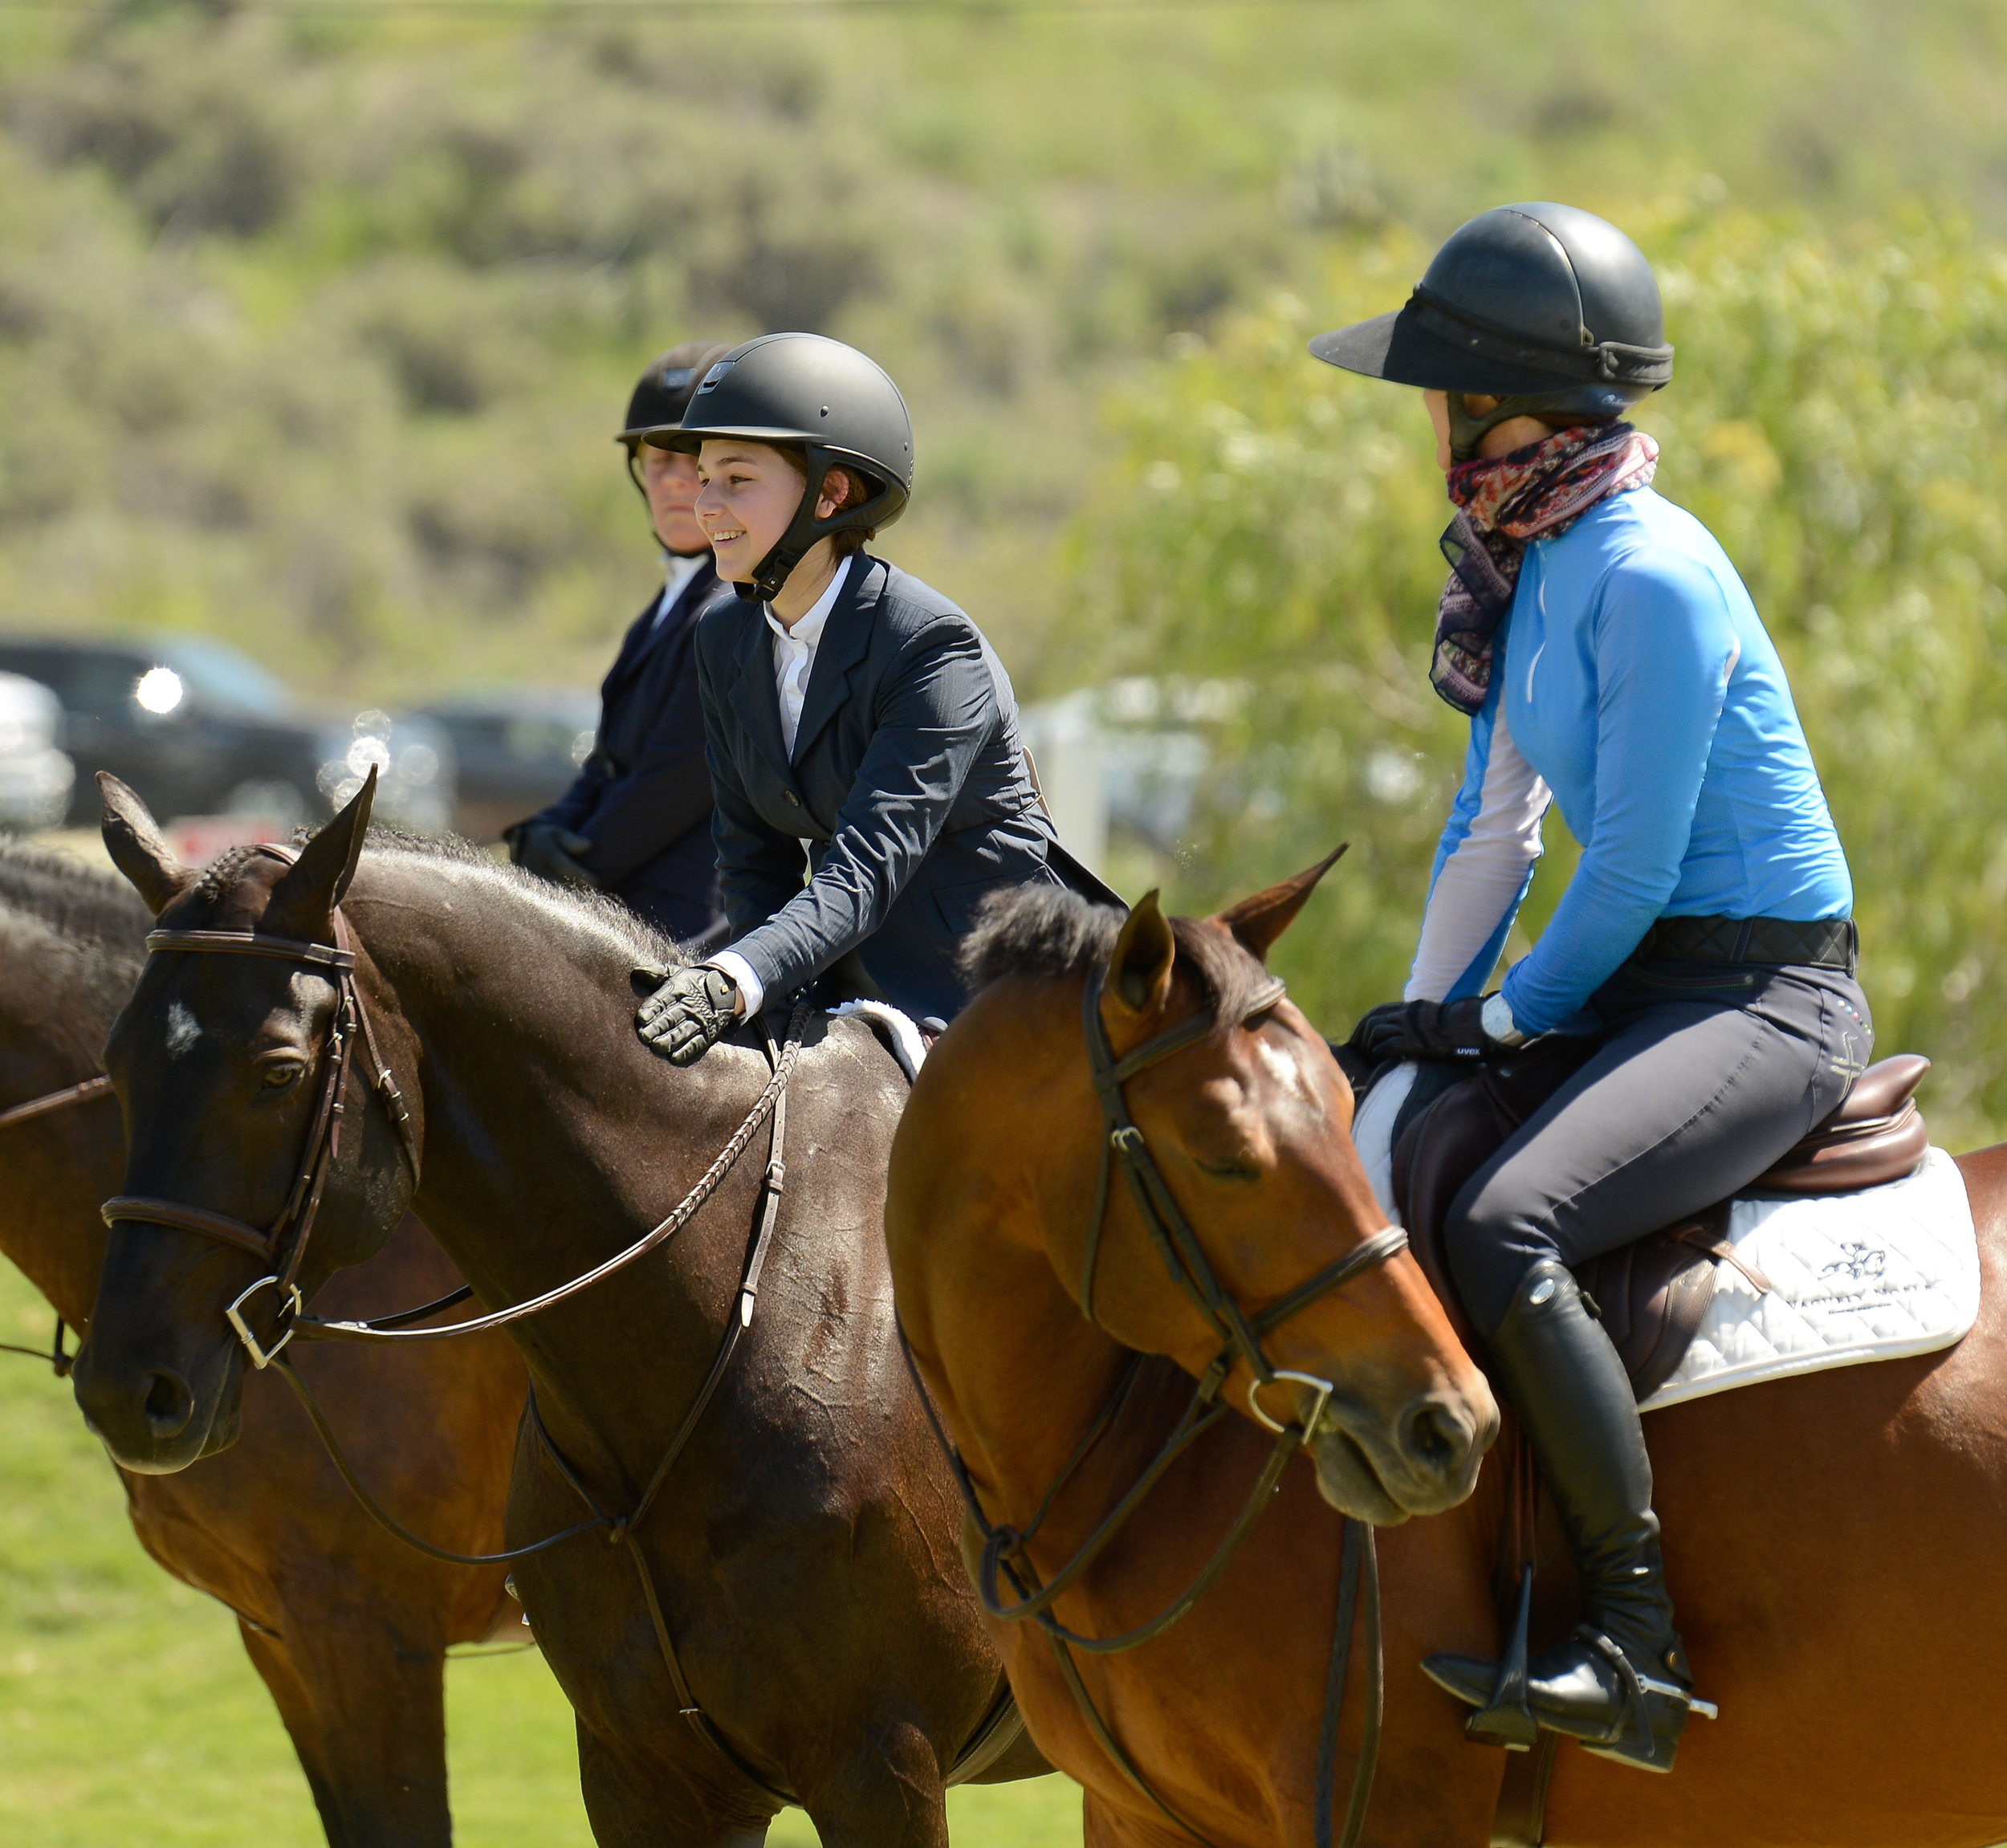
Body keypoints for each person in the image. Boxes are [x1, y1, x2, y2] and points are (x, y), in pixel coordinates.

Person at [1312, 203, 1868, 1772]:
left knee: (1505, 1219)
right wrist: (1414, 1026)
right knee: (1392, 1149)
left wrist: (1502, 1017)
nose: (1426, 427)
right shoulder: (1525, 564)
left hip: (1757, 998)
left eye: (1438, 397)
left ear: (1503, 406)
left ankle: (1632, 1644)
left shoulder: (1648, 577)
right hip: (1633, 986)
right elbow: (1492, 823)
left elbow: (1620, 871)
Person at [630, 332, 1116, 1064]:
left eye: (736, 479)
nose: (705, 505)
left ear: (832, 492)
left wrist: (734, 979)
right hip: (848, 992)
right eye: (703, 479)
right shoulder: (724, 638)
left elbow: (867, 864)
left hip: (1004, 1000)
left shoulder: (932, 646)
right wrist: (773, 1000)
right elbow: (751, 854)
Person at [506, 341, 735, 953]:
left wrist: (569, 865)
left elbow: (676, 779)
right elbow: (608, 761)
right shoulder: (657, 614)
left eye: (694, 460)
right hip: (625, 910)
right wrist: (550, 828)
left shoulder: (737, 610)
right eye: (656, 462)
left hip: (693, 931)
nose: (674, 482)